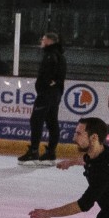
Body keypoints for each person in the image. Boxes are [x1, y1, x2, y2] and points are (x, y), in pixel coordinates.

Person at [28, 118, 109, 218]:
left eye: (79, 134)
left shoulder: (105, 168)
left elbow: (83, 205)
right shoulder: (100, 153)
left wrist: (48, 214)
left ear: (94, 137)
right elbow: (87, 160)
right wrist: (71, 162)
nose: (74, 138)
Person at [20, 33, 66, 165]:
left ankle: (34, 151)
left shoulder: (51, 55)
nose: (41, 41)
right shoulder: (57, 54)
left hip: (47, 93)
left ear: (50, 41)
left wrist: (47, 84)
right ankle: (51, 151)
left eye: (44, 39)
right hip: (53, 93)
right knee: (51, 121)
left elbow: (51, 74)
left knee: (36, 120)